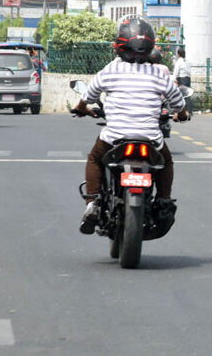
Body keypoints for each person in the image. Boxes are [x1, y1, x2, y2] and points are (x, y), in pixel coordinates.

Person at [71, 16, 188, 235]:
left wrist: (81, 109)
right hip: (151, 140)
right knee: (167, 162)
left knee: (95, 158)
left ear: (119, 46)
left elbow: (87, 97)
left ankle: (93, 202)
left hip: (114, 138)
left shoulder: (111, 71)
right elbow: (177, 102)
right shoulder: (159, 74)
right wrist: (181, 114)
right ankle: (163, 200)